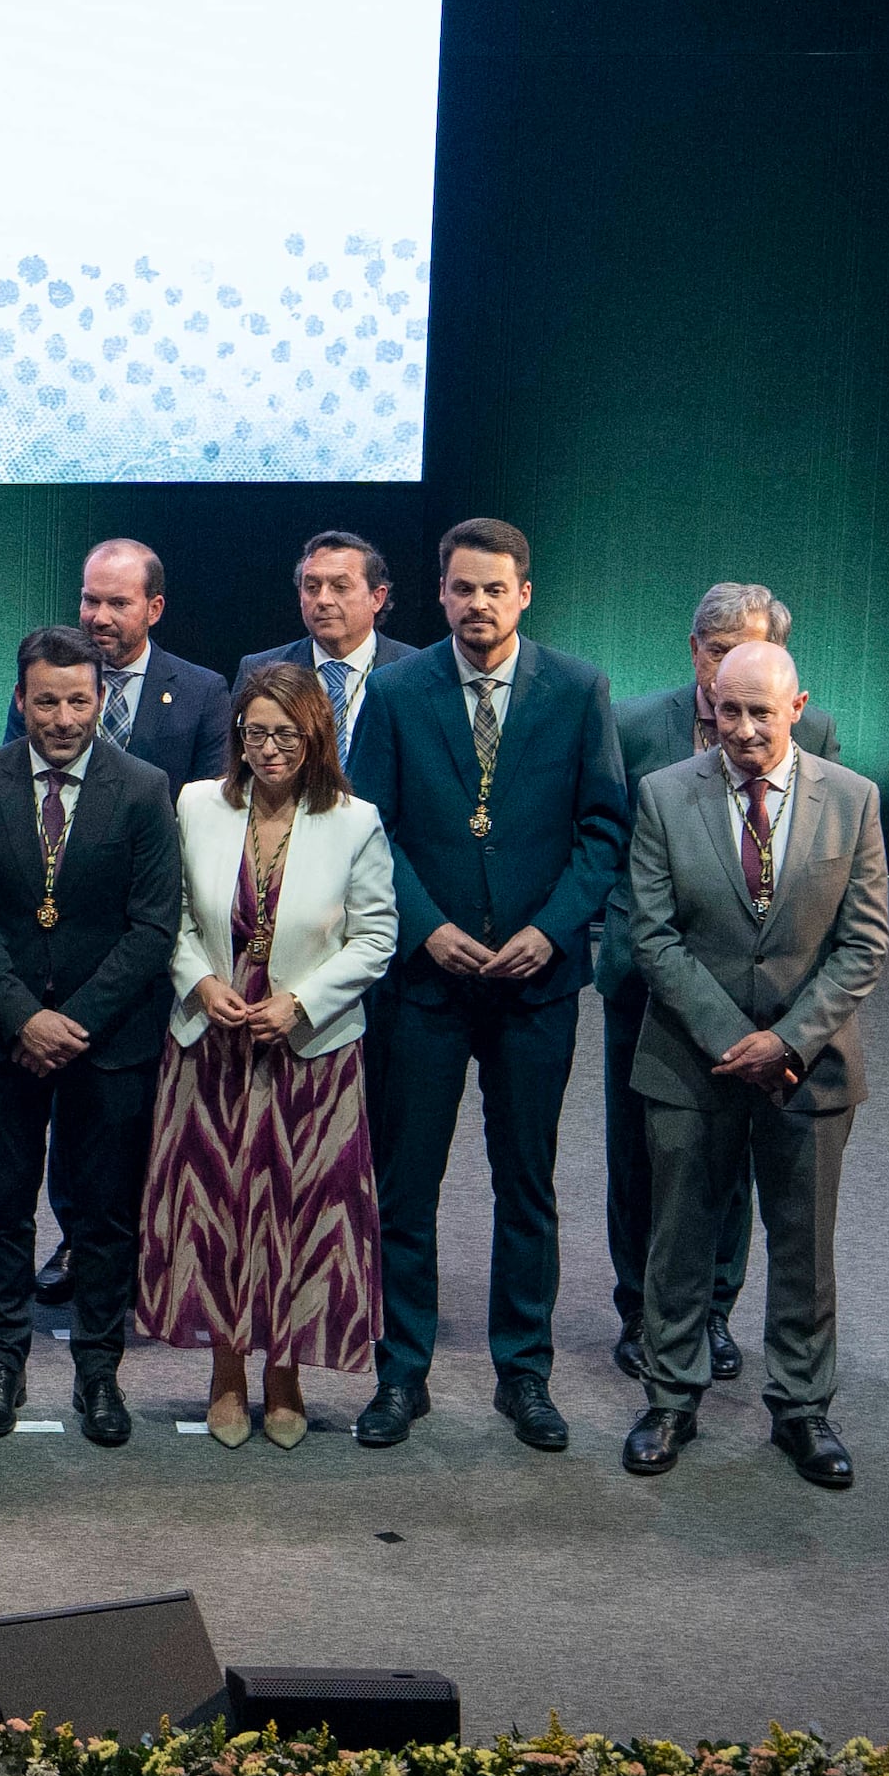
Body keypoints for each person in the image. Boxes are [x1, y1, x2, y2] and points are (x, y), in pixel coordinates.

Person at [336, 518, 631, 1455]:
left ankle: (525, 1376)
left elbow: (602, 830)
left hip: (535, 984)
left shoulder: (578, 689)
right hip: (426, 981)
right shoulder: (394, 691)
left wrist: (552, 932)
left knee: (527, 1185)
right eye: (462, 589)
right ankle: (400, 1373)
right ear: (440, 594)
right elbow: (368, 828)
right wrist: (430, 929)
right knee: (405, 1186)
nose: (477, 605)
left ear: (524, 595)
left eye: (494, 590)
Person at [619, 640, 886, 1490]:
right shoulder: (664, 796)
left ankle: (802, 1409)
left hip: (811, 1067)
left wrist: (788, 1040)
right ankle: (670, 1399)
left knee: (803, 1244)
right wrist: (731, 1037)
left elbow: (865, 941)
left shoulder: (855, 800)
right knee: (680, 1240)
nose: (742, 728)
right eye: (728, 710)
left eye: (760, 712)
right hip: (691, 1063)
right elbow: (651, 934)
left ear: (797, 708)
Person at [136, 663, 396, 1446]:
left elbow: (376, 936)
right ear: (237, 737)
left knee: (301, 1212)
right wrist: (200, 981)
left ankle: (285, 1374)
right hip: (212, 1041)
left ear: (315, 735)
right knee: (216, 1211)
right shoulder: (196, 805)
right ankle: (225, 1372)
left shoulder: (355, 820)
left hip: (308, 1051)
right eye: (255, 733)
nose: (270, 748)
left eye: (286, 733)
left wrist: (300, 1003)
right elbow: (171, 916)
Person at [0, 625, 181, 1443]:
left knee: (106, 1216)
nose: (63, 717)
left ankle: (97, 1373)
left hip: (108, 1042)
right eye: (47, 701)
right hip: (5, 1037)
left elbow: (154, 927)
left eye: (80, 700)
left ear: (102, 699)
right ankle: (2, 1364)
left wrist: (71, 1022)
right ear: (21, 699)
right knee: (5, 1206)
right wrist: (23, 1016)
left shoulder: (146, 787)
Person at [599, 583, 835, 1385]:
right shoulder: (632, 727)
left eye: (747, 653)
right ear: (691, 649)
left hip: (759, 996)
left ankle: (715, 1313)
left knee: (732, 1160)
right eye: (714, 652)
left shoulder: (817, 736)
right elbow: (599, 840)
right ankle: (642, 1309)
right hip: (649, 977)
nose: (727, 674)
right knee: (643, 1156)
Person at [71, 540, 234, 791]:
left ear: (154, 609)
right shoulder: (46, 683)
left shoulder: (202, 693)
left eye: (119, 604)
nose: (100, 618)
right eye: (91, 601)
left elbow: (208, 805)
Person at [243, 532, 404, 759]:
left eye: (340, 587)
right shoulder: (260, 669)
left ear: (376, 598)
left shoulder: (412, 672)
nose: (323, 600)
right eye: (312, 587)